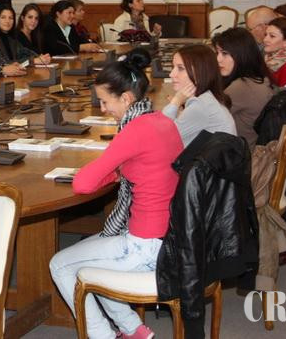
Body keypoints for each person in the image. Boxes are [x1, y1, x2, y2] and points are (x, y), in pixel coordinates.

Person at [50, 50, 183, 339]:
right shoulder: (161, 121)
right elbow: (130, 169)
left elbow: (83, 184)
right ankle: (134, 330)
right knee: (92, 258)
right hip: (169, 237)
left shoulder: (134, 131)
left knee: (60, 264)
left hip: (146, 245)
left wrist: (108, 171)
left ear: (126, 98)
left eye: (105, 101)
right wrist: (115, 172)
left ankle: (103, 335)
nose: (102, 108)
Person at [212, 28, 274, 148]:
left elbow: (207, 118)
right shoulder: (257, 78)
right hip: (247, 147)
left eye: (225, 53)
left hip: (240, 154)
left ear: (242, 54)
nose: (218, 59)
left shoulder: (241, 87)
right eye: (217, 53)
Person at [163, 44, 236, 146]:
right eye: (173, 67)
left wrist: (176, 102)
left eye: (180, 68)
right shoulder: (206, 98)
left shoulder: (200, 106)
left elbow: (159, 135)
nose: (171, 74)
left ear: (200, 72)